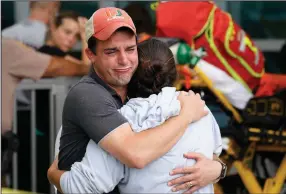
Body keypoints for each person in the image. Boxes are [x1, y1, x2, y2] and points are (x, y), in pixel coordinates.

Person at [48, 7, 223, 194]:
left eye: (131, 49)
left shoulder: (142, 102)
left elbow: (209, 154)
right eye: (111, 51)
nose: (124, 60)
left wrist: (217, 170)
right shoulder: (89, 95)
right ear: (91, 55)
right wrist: (186, 115)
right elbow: (136, 154)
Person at [1, 37, 90, 176]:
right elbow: (56, 66)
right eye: (67, 32)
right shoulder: (6, 48)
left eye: (75, 35)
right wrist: (89, 67)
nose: (71, 39)